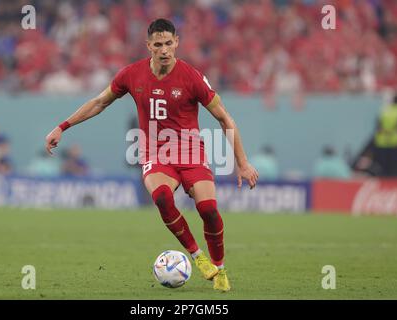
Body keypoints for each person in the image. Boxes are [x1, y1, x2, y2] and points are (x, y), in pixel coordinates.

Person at [45, 19, 258, 292]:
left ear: (177, 42)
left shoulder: (192, 77)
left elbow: (225, 118)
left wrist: (242, 162)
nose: (164, 50)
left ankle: (220, 268)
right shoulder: (131, 75)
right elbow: (99, 102)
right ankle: (197, 256)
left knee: (209, 211)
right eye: (158, 44)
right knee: (161, 197)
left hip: (190, 151)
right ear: (149, 46)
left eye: (169, 43)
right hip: (155, 152)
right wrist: (63, 126)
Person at [371, 93, 397, 177]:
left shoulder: (384, 110)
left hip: (381, 142)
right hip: (395, 142)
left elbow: (378, 126)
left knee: (382, 169)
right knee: (395, 169)